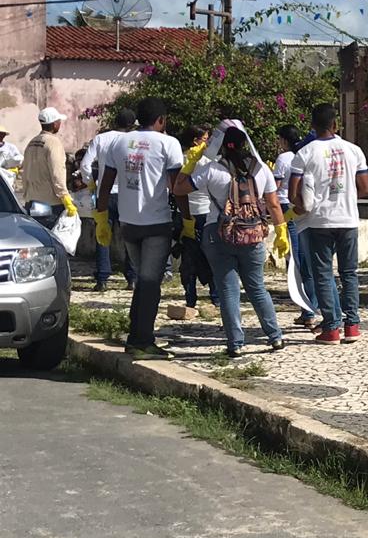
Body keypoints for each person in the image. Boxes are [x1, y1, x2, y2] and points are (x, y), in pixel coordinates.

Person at [174, 123, 288, 356]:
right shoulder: (261, 169)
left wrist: (192, 162)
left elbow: (179, 189)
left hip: (218, 234)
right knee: (257, 288)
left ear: (222, 146)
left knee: (228, 289)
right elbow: (274, 204)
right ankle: (275, 337)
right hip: (252, 234)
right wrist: (281, 231)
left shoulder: (212, 170)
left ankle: (235, 344)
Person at [94, 97, 183, 358]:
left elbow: (106, 183)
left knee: (144, 281)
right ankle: (142, 341)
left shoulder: (119, 142)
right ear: (161, 120)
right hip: (156, 223)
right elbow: (177, 188)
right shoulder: (169, 143)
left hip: (128, 223)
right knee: (150, 283)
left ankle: (136, 335)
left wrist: (101, 217)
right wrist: (188, 220)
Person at [289, 104, 368, 345]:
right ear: (336, 124)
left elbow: (293, 193)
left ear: (312, 125)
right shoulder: (354, 150)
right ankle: (352, 325)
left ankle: (332, 328)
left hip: (319, 220)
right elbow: (365, 188)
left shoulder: (304, 153)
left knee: (323, 274)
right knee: (349, 273)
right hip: (347, 218)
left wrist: (302, 207)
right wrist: (345, 197)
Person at [80, 108, 137, 292]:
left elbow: (85, 164)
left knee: (102, 235)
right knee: (130, 236)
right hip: (128, 194)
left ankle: (102, 278)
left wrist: (91, 183)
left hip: (104, 193)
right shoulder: (134, 141)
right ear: (131, 125)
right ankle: (132, 277)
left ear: (114, 122)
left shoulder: (101, 139)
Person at [274, 124, 319, 328]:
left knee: (295, 262)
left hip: (286, 207)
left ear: (284, 140)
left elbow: (275, 187)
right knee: (306, 260)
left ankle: (307, 310)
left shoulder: (283, 158)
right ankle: (310, 307)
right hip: (305, 208)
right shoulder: (304, 156)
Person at [175, 125, 219, 313]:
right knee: (210, 256)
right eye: (205, 140)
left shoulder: (180, 159)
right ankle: (215, 297)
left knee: (189, 257)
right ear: (195, 141)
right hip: (202, 213)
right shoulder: (206, 162)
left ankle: (191, 299)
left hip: (187, 214)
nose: (207, 144)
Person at [22, 107, 75, 219]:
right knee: (50, 229)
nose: (60, 124)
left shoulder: (32, 142)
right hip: (50, 203)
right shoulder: (53, 143)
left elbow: (25, 172)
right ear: (55, 124)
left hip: (31, 201)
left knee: (36, 229)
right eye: (59, 121)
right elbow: (57, 173)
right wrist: (65, 197)